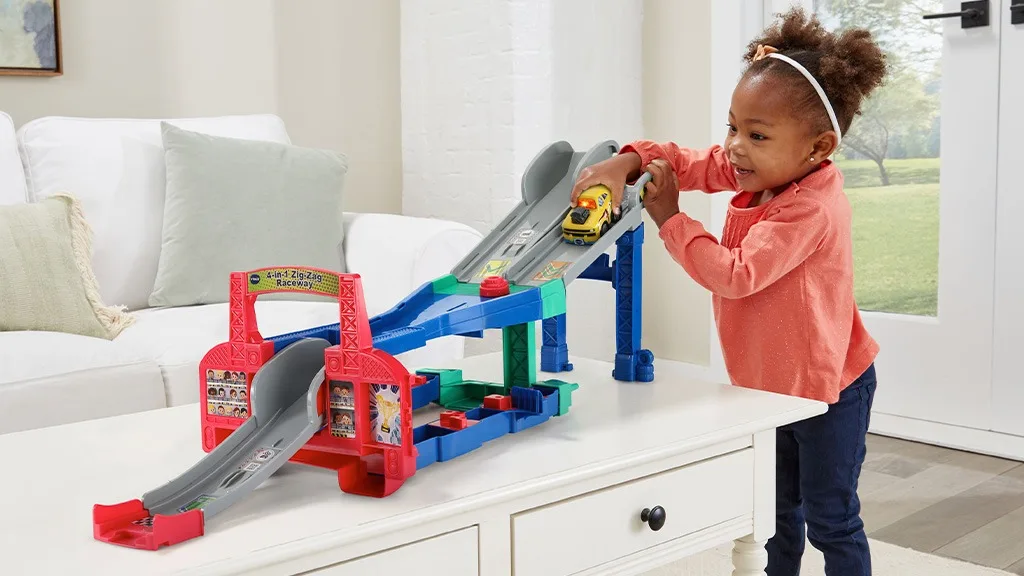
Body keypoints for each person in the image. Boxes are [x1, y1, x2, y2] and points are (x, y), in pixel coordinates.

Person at [570, 7, 886, 576]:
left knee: (830, 516)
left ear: (817, 149)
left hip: (829, 388)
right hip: (769, 383)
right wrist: (629, 161)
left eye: (756, 135)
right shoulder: (763, 167)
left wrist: (671, 218)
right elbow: (690, 162)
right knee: (774, 509)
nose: (735, 147)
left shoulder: (809, 208)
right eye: (732, 127)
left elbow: (735, 275)